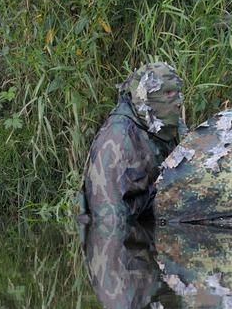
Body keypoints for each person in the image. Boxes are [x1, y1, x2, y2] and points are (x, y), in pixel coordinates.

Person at [78, 62, 186, 224]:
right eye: (169, 93)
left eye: (178, 93)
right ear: (146, 96)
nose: (178, 102)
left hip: (160, 234)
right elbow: (108, 216)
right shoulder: (117, 139)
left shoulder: (169, 126)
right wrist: (164, 197)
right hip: (121, 239)